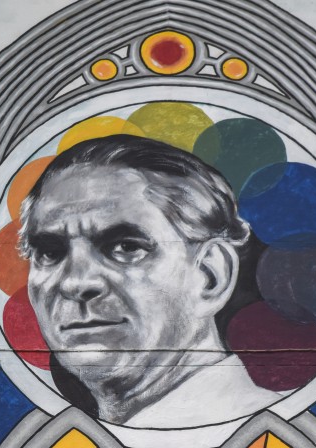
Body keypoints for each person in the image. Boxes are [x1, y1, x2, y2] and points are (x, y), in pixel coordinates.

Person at [17, 134, 278, 428]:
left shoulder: (264, 441)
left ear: (210, 276)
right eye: (51, 253)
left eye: (127, 247)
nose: (76, 283)